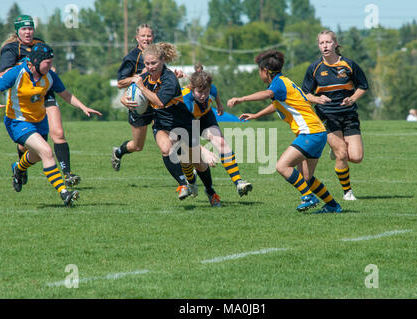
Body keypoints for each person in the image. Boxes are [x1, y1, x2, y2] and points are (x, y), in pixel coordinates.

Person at [227, 50, 342, 213]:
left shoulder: (278, 84)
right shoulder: (284, 82)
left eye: (259, 70)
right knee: (306, 178)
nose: (259, 74)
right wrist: (256, 115)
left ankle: (308, 197)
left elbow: (268, 95)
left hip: (310, 132)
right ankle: (332, 205)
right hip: (318, 132)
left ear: (265, 70)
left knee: (282, 166)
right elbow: (276, 105)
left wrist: (241, 99)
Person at [0, 43, 102, 206]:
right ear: (36, 62)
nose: (51, 66)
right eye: (48, 63)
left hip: (40, 122)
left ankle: (19, 168)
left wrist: (83, 107)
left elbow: (66, 95)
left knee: (38, 156)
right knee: (46, 151)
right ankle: (64, 193)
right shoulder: (16, 73)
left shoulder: (49, 76)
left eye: (52, 62)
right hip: (17, 122)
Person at [0, 15, 82, 186]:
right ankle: (20, 169)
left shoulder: (39, 43)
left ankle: (67, 173)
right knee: (26, 146)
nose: (28, 32)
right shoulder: (11, 49)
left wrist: (47, 69)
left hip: (45, 91)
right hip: (23, 96)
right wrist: (27, 68)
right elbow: (3, 74)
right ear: (17, 31)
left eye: (30, 28)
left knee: (58, 132)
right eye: (24, 29)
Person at [120, 42, 203, 200]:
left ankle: (202, 186)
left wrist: (142, 88)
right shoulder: (144, 77)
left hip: (181, 122)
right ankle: (183, 184)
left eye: (153, 63)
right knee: (166, 149)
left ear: (162, 60)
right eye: (147, 63)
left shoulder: (169, 78)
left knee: (196, 162)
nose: (150, 67)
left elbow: (159, 102)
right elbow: (129, 93)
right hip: (161, 124)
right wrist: (125, 101)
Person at [301, 30, 368, 201]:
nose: (325, 46)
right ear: (318, 46)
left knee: (357, 157)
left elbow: (363, 86)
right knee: (342, 154)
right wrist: (317, 99)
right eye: (321, 43)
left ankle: (335, 150)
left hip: (349, 115)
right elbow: (305, 94)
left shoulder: (348, 65)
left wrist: (352, 99)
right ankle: (348, 192)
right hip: (327, 117)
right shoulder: (314, 68)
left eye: (328, 42)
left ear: (335, 44)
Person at [181, 69, 253, 198]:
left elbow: (214, 93)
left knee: (221, 142)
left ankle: (239, 182)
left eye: (206, 91)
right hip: (184, 124)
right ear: (192, 88)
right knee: (189, 156)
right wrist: (204, 150)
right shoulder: (186, 101)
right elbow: (186, 132)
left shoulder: (211, 88)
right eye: (199, 92)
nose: (203, 95)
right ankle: (190, 183)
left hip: (205, 116)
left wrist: (219, 104)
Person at [111, 24, 155, 171]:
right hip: (140, 104)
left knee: (171, 136)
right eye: (143, 36)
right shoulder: (132, 57)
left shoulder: (158, 53)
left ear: (153, 37)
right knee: (137, 146)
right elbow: (120, 82)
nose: (146, 39)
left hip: (156, 101)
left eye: (149, 35)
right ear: (137, 38)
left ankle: (187, 169)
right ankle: (118, 152)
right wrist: (136, 78)